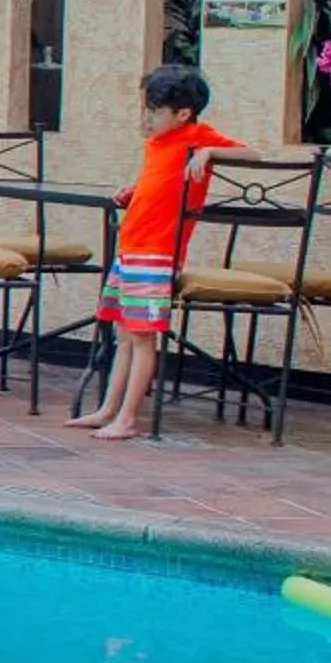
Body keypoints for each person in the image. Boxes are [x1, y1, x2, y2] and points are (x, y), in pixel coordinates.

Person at [71, 63, 250, 442]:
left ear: (182, 113)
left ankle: (129, 418)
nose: (146, 118)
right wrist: (133, 191)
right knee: (123, 334)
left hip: (157, 254)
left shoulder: (196, 136)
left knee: (142, 337)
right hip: (132, 247)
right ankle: (108, 409)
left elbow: (257, 154)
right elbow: (160, 184)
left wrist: (211, 152)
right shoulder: (157, 144)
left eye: (154, 111)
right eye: (145, 109)